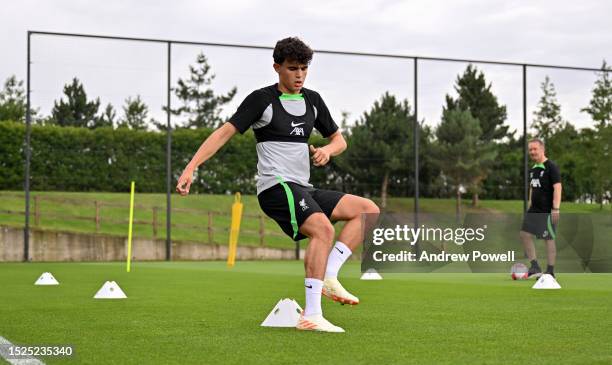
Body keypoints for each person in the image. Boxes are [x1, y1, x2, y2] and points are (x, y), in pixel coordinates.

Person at [176, 37, 380, 333]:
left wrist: (327, 150)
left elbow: (340, 140)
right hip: (276, 187)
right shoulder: (262, 100)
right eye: (293, 68)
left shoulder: (313, 101)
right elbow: (224, 133)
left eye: (304, 69)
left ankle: (331, 276)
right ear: (277, 67)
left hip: (303, 188)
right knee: (323, 229)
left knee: (368, 210)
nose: (299, 75)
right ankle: (312, 315)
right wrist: (192, 167)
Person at [520, 138, 562, 278]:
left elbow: (557, 187)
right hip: (534, 210)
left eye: (535, 149)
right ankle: (535, 267)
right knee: (525, 234)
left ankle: (550, 271)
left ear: (542, 149)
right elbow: (532, 188)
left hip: (547, 210)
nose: (532, 152)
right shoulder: (533, 169)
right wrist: (530, 205)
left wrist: (555, 208)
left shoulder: (551, 166)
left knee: (548, 238)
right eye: (530, 149)